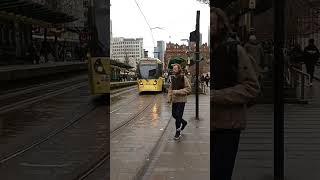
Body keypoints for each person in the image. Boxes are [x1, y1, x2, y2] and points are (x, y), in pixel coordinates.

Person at [210, 7, 260, 180]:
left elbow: (252, 88)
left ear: (222, 26)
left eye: (211, 24)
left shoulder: (235, 51)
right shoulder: (201, 55)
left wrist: (215, 96)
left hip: (227, 127)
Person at [167, 64, 192, 140]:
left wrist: (177, 92)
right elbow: (170, 89)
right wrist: (169, 98)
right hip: (174, 100)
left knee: (178, 116)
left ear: (179, 70)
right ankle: (184, 122)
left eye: (175, 69)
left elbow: (188, 89)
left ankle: (178, 132)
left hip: (181, 100)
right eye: (173, 69)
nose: (174, 70)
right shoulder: (173, 78)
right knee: (174, 115)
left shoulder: (183, 77)